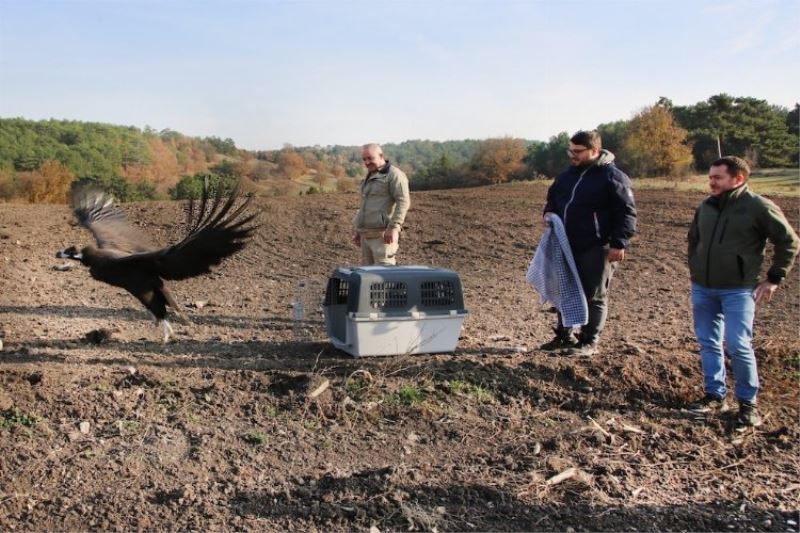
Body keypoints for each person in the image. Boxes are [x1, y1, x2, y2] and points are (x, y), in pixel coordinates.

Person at [687, 156, 799, 428]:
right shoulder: (706, 206)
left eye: (717, 177)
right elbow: (694, 240)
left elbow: (789, 242)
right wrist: (696, 269)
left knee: (738, 344)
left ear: (738, 179)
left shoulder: (758, 207)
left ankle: (748, 403)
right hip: (704, 288)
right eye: (710, 176)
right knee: (708, 342)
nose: (711, 182)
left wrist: (774, 278)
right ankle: (715, 395)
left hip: (738, 290)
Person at [540, 130, 637, 356]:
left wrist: (619, 243)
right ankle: (564, 337)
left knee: (594, 295)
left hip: (597, 245)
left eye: (577, 151)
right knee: (565, 288)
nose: (572, 155)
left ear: (594, 150)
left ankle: (588, 341)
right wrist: (549, 212)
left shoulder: (612, 177)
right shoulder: (567, 175)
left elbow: (627, 213)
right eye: (570, 151)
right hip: (566, 243)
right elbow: (553, 198)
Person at [351, 144, 411, 265]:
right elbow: (365, 205)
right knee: (368, 277)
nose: (367, 162)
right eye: (364, 159)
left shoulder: (394, 175)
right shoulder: (370, 175)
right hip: (366, 236)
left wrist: (393, 227)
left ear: (381, 156)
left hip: (383, 237)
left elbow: (403, 202)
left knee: (384, 278)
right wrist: (359, 230)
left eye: (370, 158)